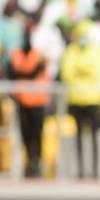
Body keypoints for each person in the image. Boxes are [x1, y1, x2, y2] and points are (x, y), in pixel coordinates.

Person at [60, 20, 100, 179]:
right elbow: (66, 74)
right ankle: (81, 171)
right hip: (76, 99)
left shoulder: (96, 51)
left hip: (93, 100)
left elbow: (97, 73)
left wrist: (80, 71)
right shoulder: (70, 51)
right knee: (79, 137)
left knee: (95, 137)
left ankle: (95, 170)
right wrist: (85, 71)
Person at [8, 23, 49, 178]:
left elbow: (31, 73)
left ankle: (36, 162)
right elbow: (13, 73)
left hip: (38, 101)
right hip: (22, 101)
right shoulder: (16, 54)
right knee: (25, 134)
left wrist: (23, 73)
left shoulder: (39, 55)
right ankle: (28, 162)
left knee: (37, 135)